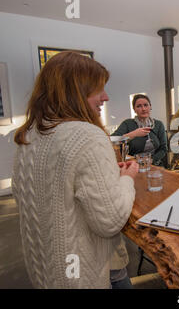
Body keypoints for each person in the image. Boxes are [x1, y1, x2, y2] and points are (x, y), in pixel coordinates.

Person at [11, 51, 138, 288]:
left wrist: (108, 174)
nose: (106, 97)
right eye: (98, 89)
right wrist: (127, 178)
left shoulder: (29, 135)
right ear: (75, 91)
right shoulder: (86, 135)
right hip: (82, 276)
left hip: (46, 269)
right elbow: (110, 220)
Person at [112, 94, 168, 166]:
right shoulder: (127, 123)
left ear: (150, 107)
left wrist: (151, 161)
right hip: (134, 166)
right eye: (139, 106)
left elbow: (163, 149)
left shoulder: (158, 124)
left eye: (146, 105)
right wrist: (134, 134)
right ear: (134, 109)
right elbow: (112, 140)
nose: (143, 109)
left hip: (155, 165)